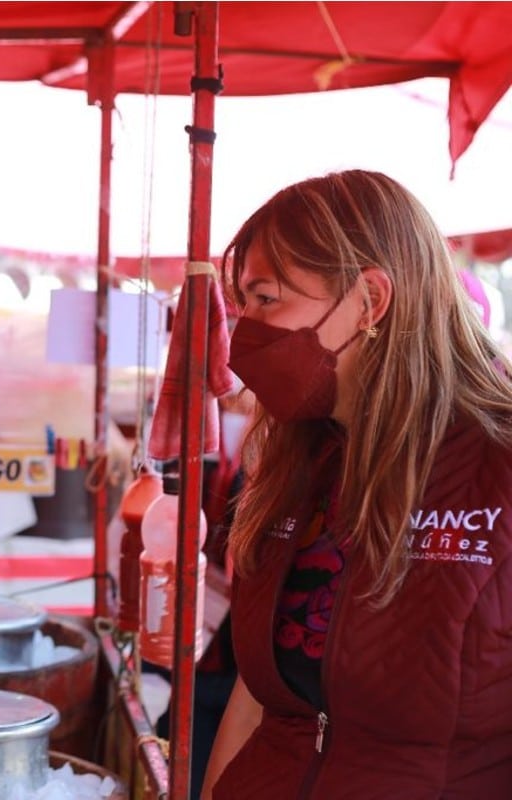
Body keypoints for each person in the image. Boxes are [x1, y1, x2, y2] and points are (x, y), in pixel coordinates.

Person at [201, 169, 512, 798]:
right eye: (243, 306)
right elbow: (258, 701)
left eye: (267, 299)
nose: (244, 335)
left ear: (369, 301)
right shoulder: (297, 461)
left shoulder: (497, 469)